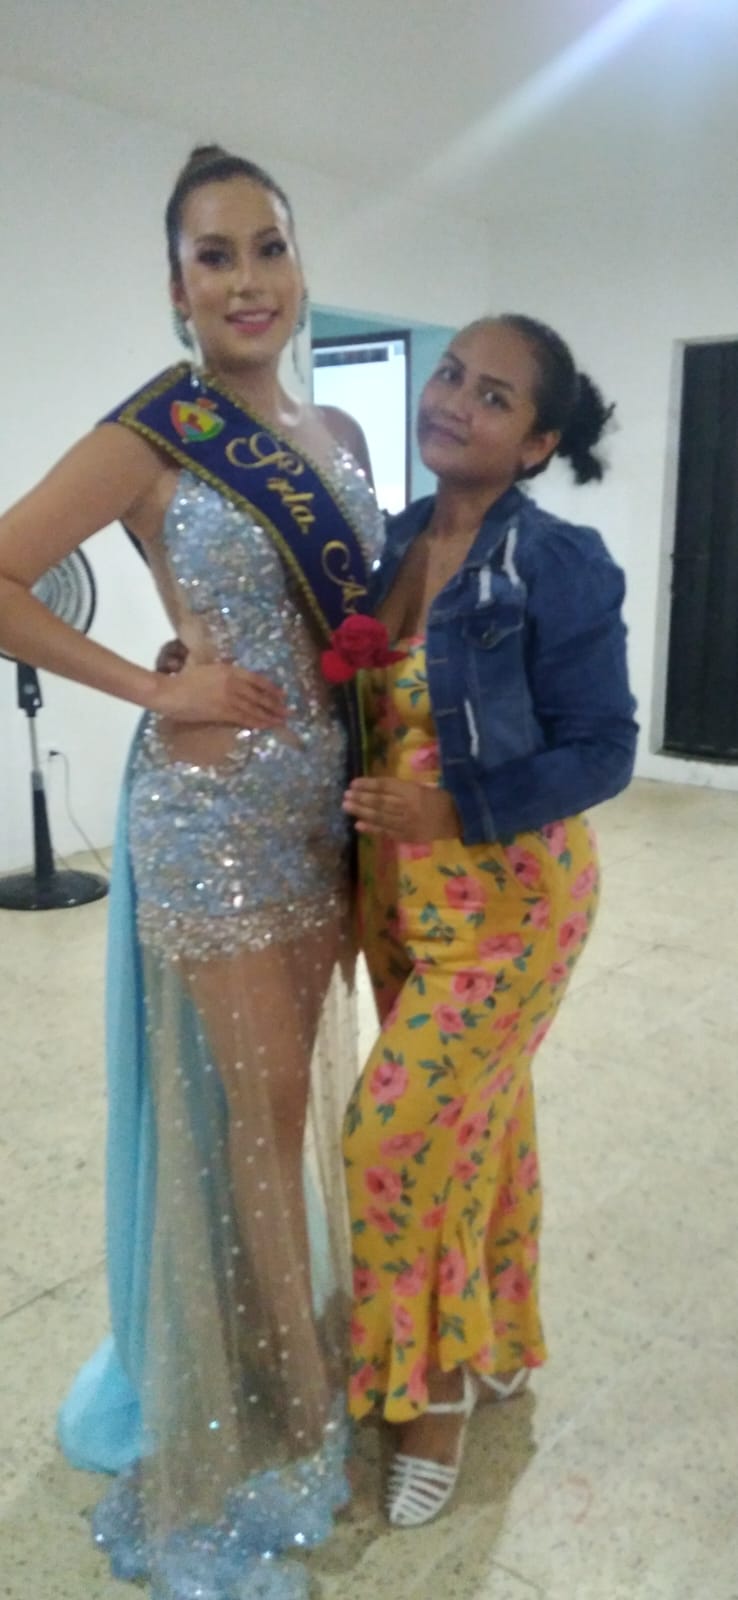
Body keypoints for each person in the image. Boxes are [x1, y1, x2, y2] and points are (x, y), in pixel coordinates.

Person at [0, 145, 383, 1600]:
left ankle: (268, 1343)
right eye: (213, 255)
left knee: (283, 1116)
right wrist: (154, 687)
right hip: (210, 827)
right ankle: (284, 1399)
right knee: (260, 1118)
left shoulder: (339, 431)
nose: (246, 278)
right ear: (177, 286)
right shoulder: (151, 434)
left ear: (297, 263)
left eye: (267, 245)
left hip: (321, 820)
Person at [341, 313, 638, 1527]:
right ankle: (500, 1332)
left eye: (495, 396)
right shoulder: (396, 540)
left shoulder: (557, 560)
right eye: (452, 373)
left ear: (537, 444)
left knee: (389, 1137)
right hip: (400, 898)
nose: (455, 400)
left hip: (511, 902)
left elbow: (605, 748)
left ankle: (438, 1394)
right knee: (481, 1128)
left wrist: (455, 807)